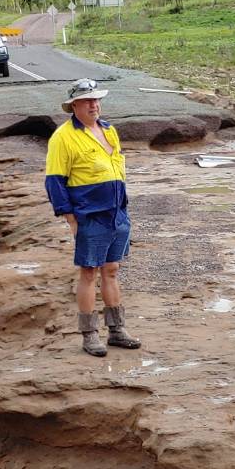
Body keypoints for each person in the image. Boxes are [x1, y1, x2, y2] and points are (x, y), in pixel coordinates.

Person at [44, 79, 141, 356]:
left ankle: (117, 330)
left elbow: (117, 169)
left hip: (117, 213)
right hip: (89, 215)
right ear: (74, 105)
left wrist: (122, 207)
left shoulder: (109, 130)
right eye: (87, 100)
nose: (94, 105)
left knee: (111, 270)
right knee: (88, 273)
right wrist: (70, 219)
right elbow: (54, 181)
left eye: (96, 99)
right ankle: (89, 335)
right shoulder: (63, 137)